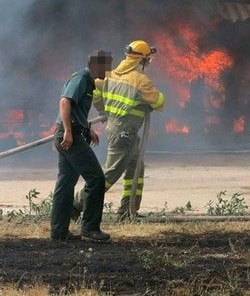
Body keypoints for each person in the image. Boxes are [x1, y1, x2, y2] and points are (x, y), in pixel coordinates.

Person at [94, 40, 165, 219]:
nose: (149, 63)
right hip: (124, 133)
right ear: (141, 60)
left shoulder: (110, 75)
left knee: (136, 170)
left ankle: (127, 211)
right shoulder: (141, 81)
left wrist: (103, 109)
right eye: (147, 59)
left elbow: (95, 92)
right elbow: (159, 102)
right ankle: (76, 206)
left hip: (118, 130)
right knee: (109, 175)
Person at [50, 50, 113, 242]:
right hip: (71, 137)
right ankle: (90, 228)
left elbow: (77, 111)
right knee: (96, 179)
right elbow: (64, 103)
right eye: (106, 66)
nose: (108, 70)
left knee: (66, 183)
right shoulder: (80, 79)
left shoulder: (88, 81)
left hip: (72, 134)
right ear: (95, 65)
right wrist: (69, 131)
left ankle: (59, 232)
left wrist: (87, 129)